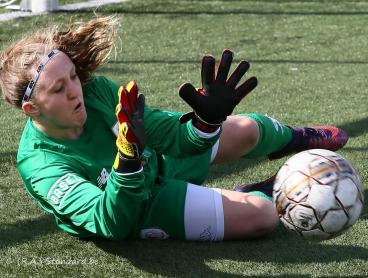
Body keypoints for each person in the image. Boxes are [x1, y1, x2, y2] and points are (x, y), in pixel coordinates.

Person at [0, 17, 348, 241]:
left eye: (73, 76)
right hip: (143, 205)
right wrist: (128, 161)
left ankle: (298, 138)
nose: (75, 90)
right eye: (58, 89)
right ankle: (272, 190)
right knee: (262, 217)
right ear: (32, 109)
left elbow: (169, 135)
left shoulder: (96, 92)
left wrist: (206, 121)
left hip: (158, 159)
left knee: (245, 130)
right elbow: (110, 223)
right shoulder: (41, 166)